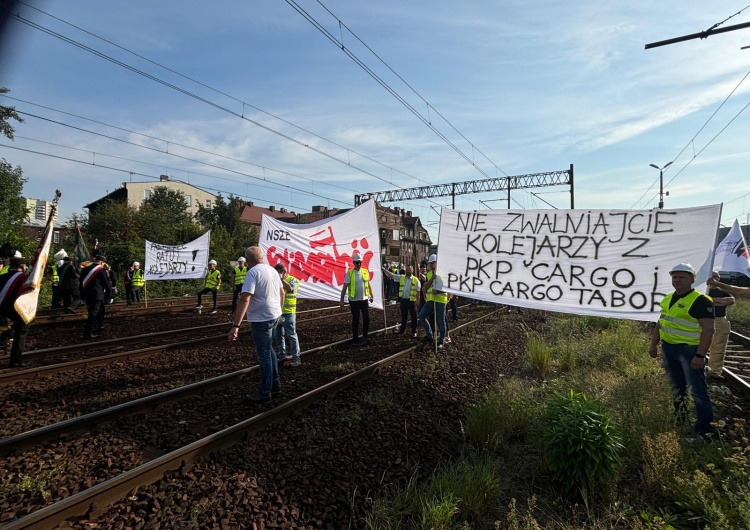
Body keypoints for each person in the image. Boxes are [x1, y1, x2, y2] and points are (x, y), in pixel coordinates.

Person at [649, 263, 715, 439]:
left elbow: (709, 330)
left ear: (692, 279)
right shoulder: (669, 298)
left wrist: (700, 355)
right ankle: (680, 419)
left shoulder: (700, 300)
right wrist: (653, 343)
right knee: (677, 387)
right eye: (674, 276)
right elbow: (661, 322)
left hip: (689, 351)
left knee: (698, 391)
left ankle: (705, 431)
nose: (677, 280)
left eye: (682, 277)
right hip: (669, 349)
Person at [228, 246, 284, 404]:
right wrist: (278, 309)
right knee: (270, 350)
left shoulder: (252, 272)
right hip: (275, 315)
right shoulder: (272, 270)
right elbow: (282, 292)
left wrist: (236, 325)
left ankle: (265, 392)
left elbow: (245, 298)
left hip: (262, 319)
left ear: (247, 260)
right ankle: (275, 383)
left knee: (264, 355)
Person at [0, 256, 31, 367]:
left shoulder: (2, 276)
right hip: (14, 308)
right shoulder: (23, 277)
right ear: (22, 266)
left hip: (1, 306)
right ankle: (16, 360)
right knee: (22, 329)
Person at [706, 270, 735, 379]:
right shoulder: (702, 290)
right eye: (713, 276)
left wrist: (712, 300)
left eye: (717, 277)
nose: (715, 279)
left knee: (718, 348)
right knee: (699, 345)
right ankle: (698, 369)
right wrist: (720, 301)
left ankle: (714, 372)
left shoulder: (722, 290)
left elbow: (731, 300)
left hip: (720, 320)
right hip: (702, 321)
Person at [340, 252, 373, 345]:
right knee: (356, 319)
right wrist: (341, 300)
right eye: (357, 262)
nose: (359, 264)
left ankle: (365, 336)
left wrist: (371, 295)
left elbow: (368, 285)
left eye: (360, 262)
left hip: (364, 299)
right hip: (354, 300)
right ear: (353, 263)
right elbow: (344, 287)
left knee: (367, 318)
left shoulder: (365, 272)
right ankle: (355, 339)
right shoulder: (350, 273)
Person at [273, 263, 302, 366]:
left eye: (278, 273)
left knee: (291, 335)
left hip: (289, 313)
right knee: (278, 335)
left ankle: (296, 358)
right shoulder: (276, 281)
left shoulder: (293, 280)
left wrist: (280, 279)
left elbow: (290, 289)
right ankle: (282, 356)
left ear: (283, 272)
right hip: (278, 313)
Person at [382, 264, 420, 337]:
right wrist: (384, 270)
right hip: (403, 300)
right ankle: (402, 329)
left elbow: (418, 291)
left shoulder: (416, 280)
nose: (408, 271)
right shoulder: (402, 278)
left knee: (414, 317)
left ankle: (414, 331)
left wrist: (417, 301)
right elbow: (392, 275)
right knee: (404, 315)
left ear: (412, 271)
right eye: (407, 270)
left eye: (409, 270)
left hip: (412, 301)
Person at [80, 254, 113, 339]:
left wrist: (82, 295)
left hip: (87, 294)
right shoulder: (102, 270)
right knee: (93, 313)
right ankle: (87, 333)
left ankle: (100, 326)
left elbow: (80, 283)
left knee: (98, 310)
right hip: (98, 294)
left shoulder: (85, 269)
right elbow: (107, 284)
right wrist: (109, 296)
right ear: (101, 262)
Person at [419, 254, 448, 349]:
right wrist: (432, 278)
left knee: (441, 321)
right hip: (431, 300)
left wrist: (438, 291)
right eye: (429, 263)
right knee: (421, 316)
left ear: (437, 263)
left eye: (432, 263)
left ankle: (441, 341)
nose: (430, 265)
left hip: (441, 300)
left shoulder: (443, 274)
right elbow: (426, 286)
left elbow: (448, 287)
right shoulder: (429, 274)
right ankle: (429, 336)